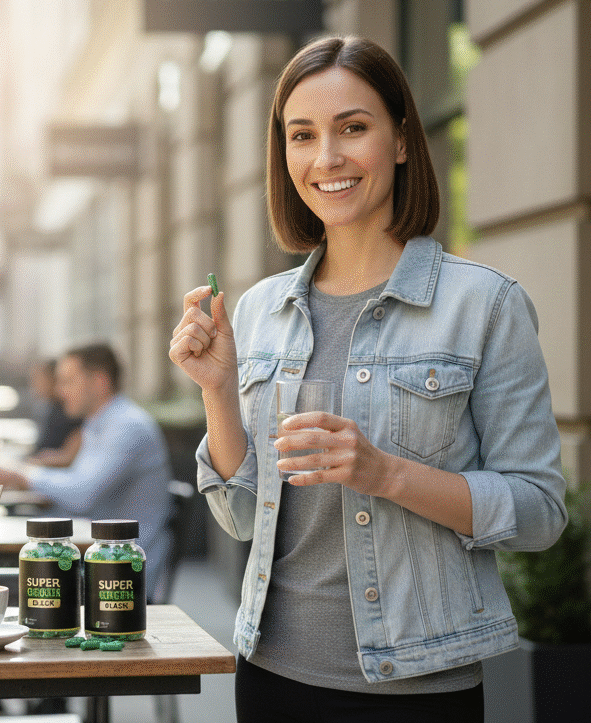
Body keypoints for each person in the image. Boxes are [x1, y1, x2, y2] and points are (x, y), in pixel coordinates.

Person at [168, 35, 569, 723]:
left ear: (403, 140)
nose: (326, 157)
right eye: (303, 135)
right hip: (269, 677)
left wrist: (386, 473)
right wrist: (216, 389)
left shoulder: (485, 305)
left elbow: (539, 511)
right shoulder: (262, 307)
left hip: (416, 690)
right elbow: (238, 515)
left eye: (353, 127)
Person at [0, 343, 172, 587]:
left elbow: (81, 495)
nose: (59, 392)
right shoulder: (100, 423)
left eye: (68, 381)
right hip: (98, 560)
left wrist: (23, 474)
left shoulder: (126, 427)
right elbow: (79, 488)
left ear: (100, 382)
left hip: (121, 575)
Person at [25, 359, 82, 467]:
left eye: (68, 382)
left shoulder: (71, 412)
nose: (34, 384)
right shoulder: (50, 408)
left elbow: (67, 457)